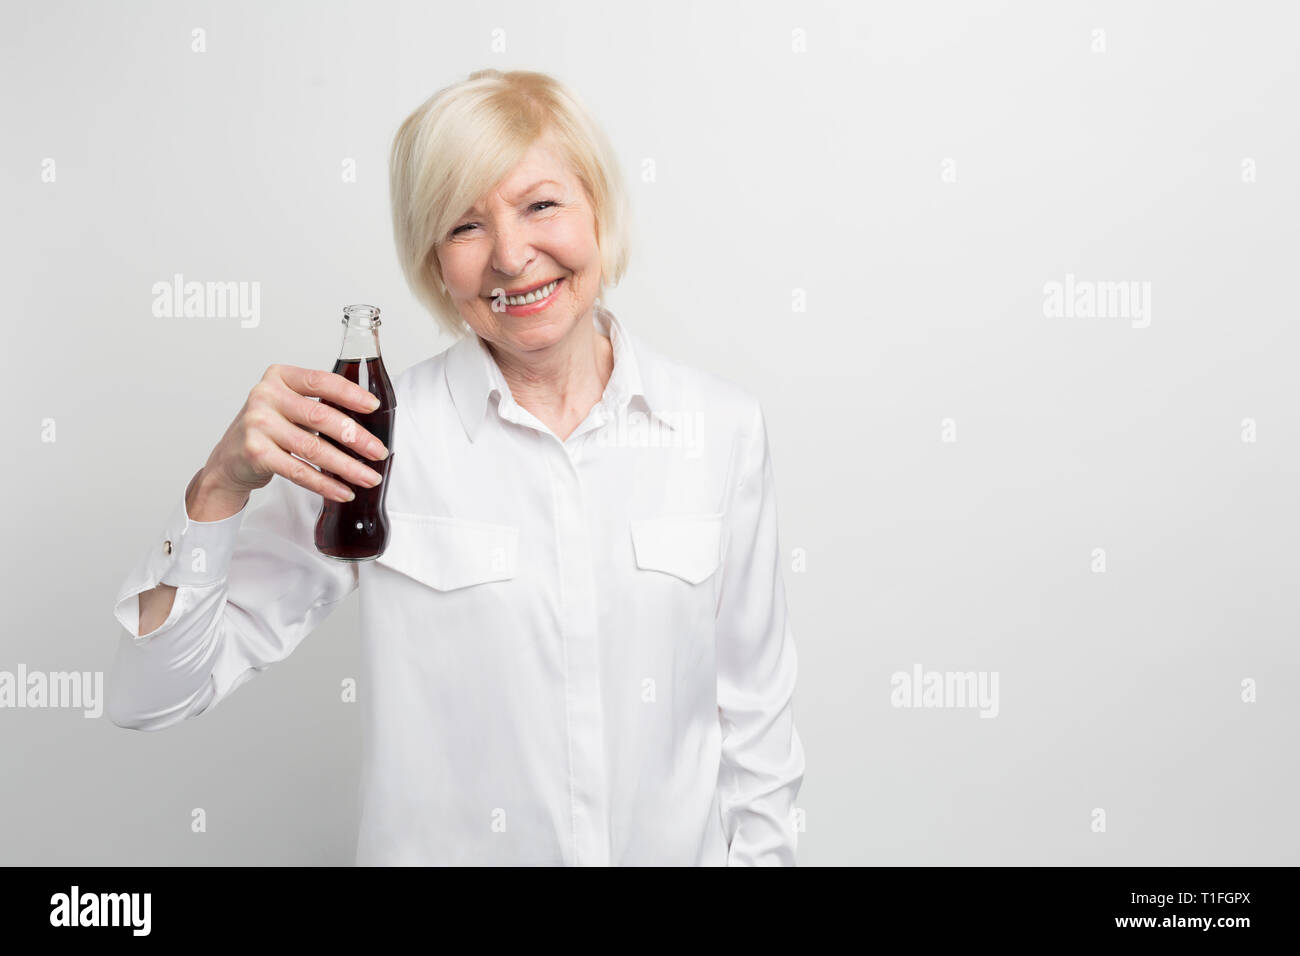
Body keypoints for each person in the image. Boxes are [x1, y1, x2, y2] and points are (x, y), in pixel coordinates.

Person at [109, 68, 805, 866]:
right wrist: (218, 486)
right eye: (464, 226)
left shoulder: (720, 431)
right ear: (433, 262)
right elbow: (151, 697)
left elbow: (757, 731)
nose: (512, 256)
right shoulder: (374, 444)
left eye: (541, 205)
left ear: (599, 213)